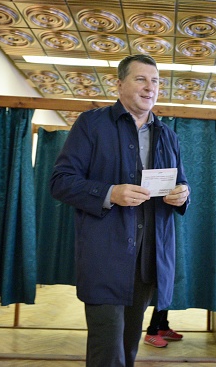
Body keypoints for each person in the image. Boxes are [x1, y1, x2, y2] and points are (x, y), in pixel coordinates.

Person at [50, 54, 190, 367]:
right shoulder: (91, 125)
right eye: (140, 79)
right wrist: (110, 192)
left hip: (148, 259)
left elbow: (180, 183)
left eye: (155, 81)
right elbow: (60, 182)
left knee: (128, 347)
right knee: (106, 349)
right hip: (105, 257)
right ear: (119, 85)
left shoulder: (168, 135)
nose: (149, 87)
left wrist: (183, 194)